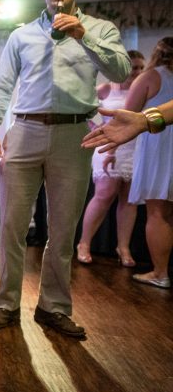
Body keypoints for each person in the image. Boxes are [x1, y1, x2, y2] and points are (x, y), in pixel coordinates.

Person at [0, 0, 130, 337]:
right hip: (25, 130)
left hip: (73, 135)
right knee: (12, 226)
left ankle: (53, 308)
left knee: (62, 230)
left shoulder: (100, 29)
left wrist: (84, 36)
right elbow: (1, 86)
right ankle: (6, 304)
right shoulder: (22, 35)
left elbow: (121, 72)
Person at [91, 37, 172, 289]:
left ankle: (159, 271)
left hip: (157, 143)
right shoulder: (109, 88)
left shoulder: (150, 78)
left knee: (157, 211)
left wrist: (113, 144)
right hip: (148, 138)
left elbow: (129, 120)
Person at [76, 50, 145, 266]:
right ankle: (84, 243)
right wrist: (96, 126)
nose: (138, 72)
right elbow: (84, 106)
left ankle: (122, 247)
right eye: (134, 67)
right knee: (104, 194)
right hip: (108, 145)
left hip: (136, 147)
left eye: (142, 68)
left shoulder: (143, 90)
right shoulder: (106, 89)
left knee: (129, 199)